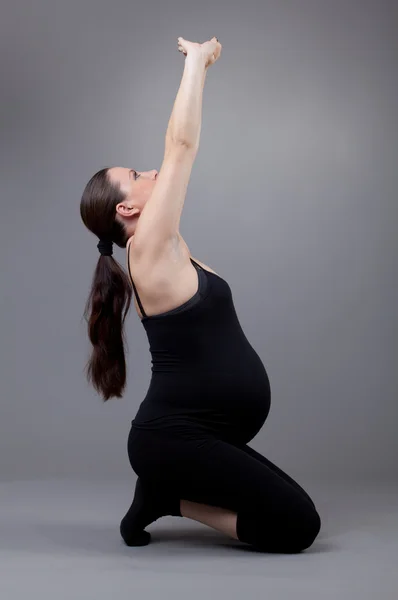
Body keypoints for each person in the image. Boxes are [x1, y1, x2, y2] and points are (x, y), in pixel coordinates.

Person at [80, 36, 321, 553]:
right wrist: (196, 63)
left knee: (291, 507)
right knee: (299, 527)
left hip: (199, 435)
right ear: (126, 211)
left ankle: (164, 492)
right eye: (136, 177)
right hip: (171, 439)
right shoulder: (146, 249)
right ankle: (171, 500)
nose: (149, 173)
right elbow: (181, 146)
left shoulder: (167, 246)